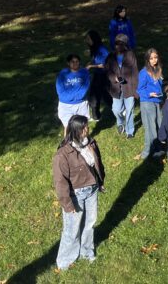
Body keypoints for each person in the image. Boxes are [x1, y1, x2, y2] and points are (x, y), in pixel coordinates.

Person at [52, 114, 105, 271]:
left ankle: (86, 252)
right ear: (75, 130)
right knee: (72, 229)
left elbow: (98, 164)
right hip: (76, 195)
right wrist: (68, 205)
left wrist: (100, 182)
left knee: (90, 223)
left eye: (87, 126)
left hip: (92, 190)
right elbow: (60, 182)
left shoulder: (91, 143)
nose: (87, 129)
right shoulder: (63, 154)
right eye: (84, 127)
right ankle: (64, 261)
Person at [105, 34, 139, 138]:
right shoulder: (111, 57)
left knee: (130, 110)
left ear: (125, 45)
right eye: (116, 43)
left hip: (129, 87)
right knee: (116, 110)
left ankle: (130, 131)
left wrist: (135, 90)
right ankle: (120, 123)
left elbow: (135, 72)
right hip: (116, 88)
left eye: (121, 44)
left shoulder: (130, 55)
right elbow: (107, 71)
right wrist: (114, 78)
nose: (118, 46)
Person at [137, 48, 164, 159]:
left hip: (158, 100)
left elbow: (159, 85)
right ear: (147, 60)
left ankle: (158, 148)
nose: (154, 60)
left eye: (155, 57)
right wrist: (149, 94)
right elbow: (139, 89)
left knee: (159, 124)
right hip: (147, 102)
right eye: (151, 58)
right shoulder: (144, 73)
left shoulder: (158, 69)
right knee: (150, 127)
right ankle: (147, 151)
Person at [56, 54, 91, 130]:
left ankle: (86, 137)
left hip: (81, 103)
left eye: (77, 61)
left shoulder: (84, 72)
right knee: (67, 127)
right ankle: (67, 138)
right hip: (65, 105)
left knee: (84, 125)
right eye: (72, 61)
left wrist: (76, 97)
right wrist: (70, 98)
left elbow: (85, 88)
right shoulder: (62, 74)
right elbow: (60, 90)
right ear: (68, 63)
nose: (75, 63)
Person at [84, 30, 109, 121]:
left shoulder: (102, 50)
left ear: (94, 39)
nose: (87, 41)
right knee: (96, 96)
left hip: (103, 76)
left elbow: (104, 64)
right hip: (97, 74)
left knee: (101, 96)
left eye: (88, 39)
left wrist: (91, 66)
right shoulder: (95, 48)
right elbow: (96, 60)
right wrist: (91, 62)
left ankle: (121, 110)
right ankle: (96, 116)